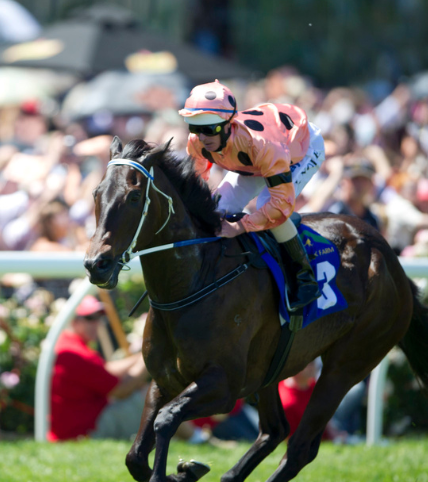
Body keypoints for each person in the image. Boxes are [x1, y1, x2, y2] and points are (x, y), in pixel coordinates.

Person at [180, 80, 325, 310]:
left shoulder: (262, 145)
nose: (202, 137)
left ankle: (303, 277)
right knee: (216, 208)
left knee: (268, 206)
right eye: (195, 128)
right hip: (256, 160)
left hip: (299, 150)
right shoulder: (197, 142)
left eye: (209, 129)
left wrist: (240, 227)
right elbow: (194, 186)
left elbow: (280, 206)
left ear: (228, 124)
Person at [49, 295, 150, 441]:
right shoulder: (76, 354)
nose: (96, 324)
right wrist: (150, 357)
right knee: (150, 395)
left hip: (76, 427)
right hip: (83, 432)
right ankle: (194, 437)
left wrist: (142, 355)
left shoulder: (68, 344)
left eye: (99, 318)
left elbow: (105, 370)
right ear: (73, 320)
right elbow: (120, 391)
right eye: (90, 318)